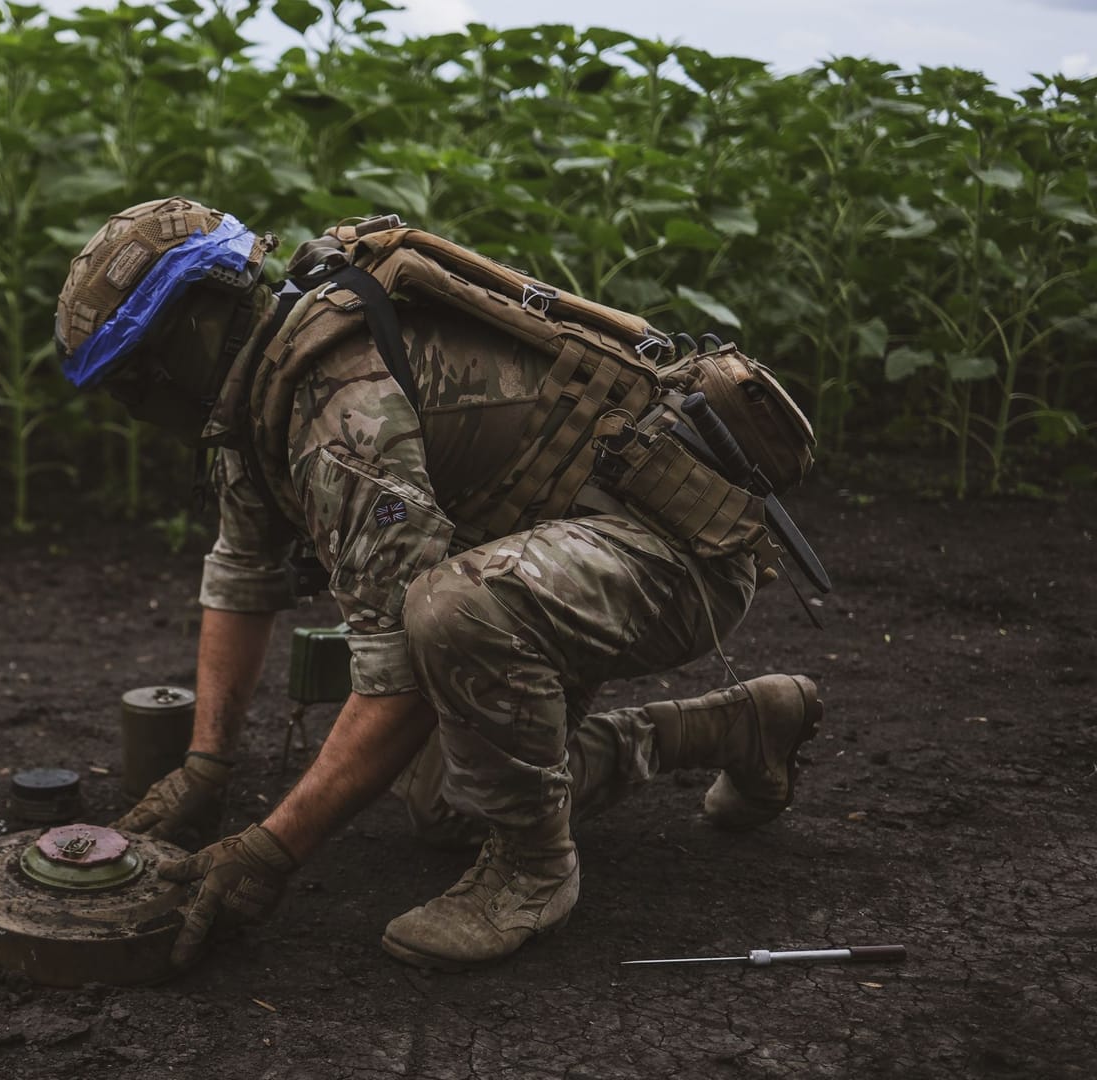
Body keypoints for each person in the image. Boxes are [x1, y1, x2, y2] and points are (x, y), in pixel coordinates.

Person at [55, 196, 824, 970]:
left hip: (679, 553)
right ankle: (737, 727)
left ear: (190, 329)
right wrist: (206, 768)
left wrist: (268, 851)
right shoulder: (260, 392)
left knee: (450, 611)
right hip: (572, 551)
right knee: (450, 802)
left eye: (134, 375)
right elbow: (242, 576)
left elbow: (396, 679)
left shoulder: (336, 408)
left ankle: (533, 876)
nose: (131, 403)